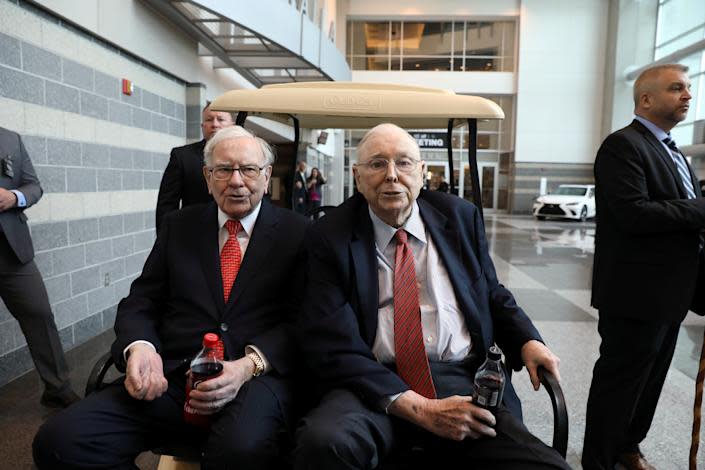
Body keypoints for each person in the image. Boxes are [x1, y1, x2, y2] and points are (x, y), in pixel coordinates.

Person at [293, 123, 570, 469]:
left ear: (423, 172)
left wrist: (528, 340)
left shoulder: (460, 217)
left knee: (546, 466)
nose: (392, 175)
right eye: (377, 164)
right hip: (371, 382)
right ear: (357, 176)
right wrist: (420, 408)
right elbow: (329, 341)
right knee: (323, 444)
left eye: (404, 163)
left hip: (459, 377)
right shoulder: (327, 236)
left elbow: (491, 293)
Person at [33, 126, 310, 470]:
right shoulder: (179, 225)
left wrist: (248, 365)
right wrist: (141, 347)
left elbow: (305, 319)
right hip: (173, 378)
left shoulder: (300, 233)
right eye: (223, 170)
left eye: (248, 169)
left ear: (266, 176)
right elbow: (142, 300)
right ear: (208, 178)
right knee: (60, 442)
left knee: (239, 452)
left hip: (253, 382)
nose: (236, 180)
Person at [583, 64, 705, 470]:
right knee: (620, 383)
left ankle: (628, 447)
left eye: (688, 88)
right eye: (676, 89)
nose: (688, 95)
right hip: (634, 294)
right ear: (646, 99)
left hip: (671, 292)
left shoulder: (672, 150)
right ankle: (599, 460)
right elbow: (633, 214)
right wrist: (701, 209)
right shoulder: (623, 146)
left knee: (651, 382)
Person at [0, 127, 80, 409]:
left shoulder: (11, 139)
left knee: (40, 314)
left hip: (13, 252)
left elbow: (33, 186)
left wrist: (14, 198)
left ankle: (57, 388)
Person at [155, 102, 234, 231]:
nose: (215, 124)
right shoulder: (182, 156)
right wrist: (166, 241)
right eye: (209, 120)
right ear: (202, 126)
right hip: (194, 234)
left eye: (220, 119)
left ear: (232, 126)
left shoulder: (246, 155)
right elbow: (167, 205)